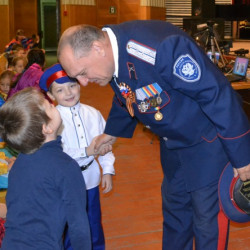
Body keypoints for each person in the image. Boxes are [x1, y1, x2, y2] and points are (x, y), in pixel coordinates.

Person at [57, 20, 250, 250]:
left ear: (98, 48)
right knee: (175, 216)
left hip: (208, 144)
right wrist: (111, 133)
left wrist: (242, 155)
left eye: (82, 73)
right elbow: (127, 93)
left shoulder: (161, 48)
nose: (83, 83)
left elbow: (218, 96)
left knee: (208, 223)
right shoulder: (111, 55)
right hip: (173, 145)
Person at [0, 87, 93, 249]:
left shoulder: (19, 162)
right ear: (47, 128)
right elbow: (79, 227)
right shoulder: (66, 167)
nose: (53, 104)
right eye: (49, 106)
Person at [39, 63, 115, 250]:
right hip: (64, 185)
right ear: (51, 96)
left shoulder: (93, 114)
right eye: (60, 90)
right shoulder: (52, 120)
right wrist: (87, 151)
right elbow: (58, 153)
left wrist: (107, 169)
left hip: (90, 181)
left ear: (80, 85)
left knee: (93, 224)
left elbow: (105, 144)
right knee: (71, 226)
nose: (69, 93)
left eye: (72, 86)